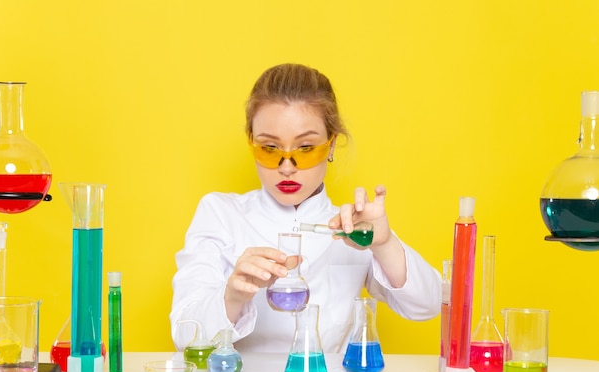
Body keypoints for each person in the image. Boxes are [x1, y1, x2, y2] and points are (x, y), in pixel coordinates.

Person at [170, 63, 441, 353]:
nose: (287, 167)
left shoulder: (351, 226)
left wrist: (384, 244)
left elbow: (428, 305)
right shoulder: (221, 213)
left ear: (332, 145)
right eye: (270, 148)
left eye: (306, 148)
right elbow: (185, 335)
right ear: (252, 143)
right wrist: (233, 295)